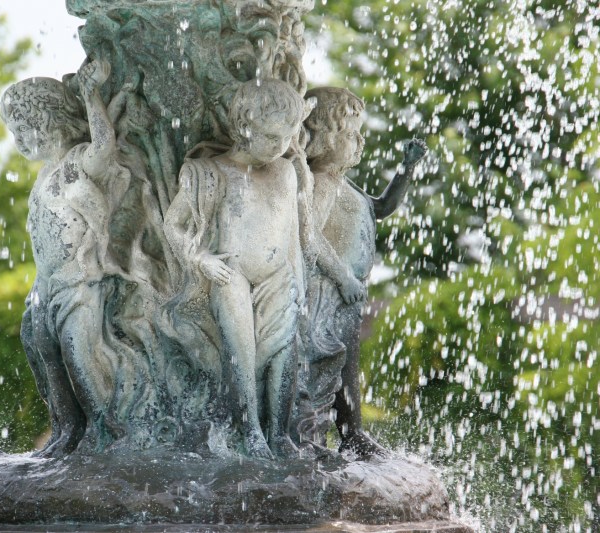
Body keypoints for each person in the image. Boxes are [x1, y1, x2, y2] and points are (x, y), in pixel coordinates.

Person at [164, 79, 311, 459]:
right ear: (244, 128)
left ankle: (280, 434)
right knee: (240, 355)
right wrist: (200, 259)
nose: (280, 146)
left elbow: (293, 235)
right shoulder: (209, 172)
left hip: (279, 278)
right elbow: (173, 225)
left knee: (284, 355)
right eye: (270, 136)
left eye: (287, 137)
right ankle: (250, 433)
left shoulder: (285, 171)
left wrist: (299, 282)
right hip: (231, 276)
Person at [1, 60, 124, 455]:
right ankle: (66, 432)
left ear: (50, 121)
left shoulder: (74, 164)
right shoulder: (43, 176)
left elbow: (106, 150)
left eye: (24, 129)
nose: (19, 141)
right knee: (45, 354)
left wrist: (91, 97)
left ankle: (105, 432)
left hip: (79, 283)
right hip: (46, 288)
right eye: (15, 132)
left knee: (79, 356)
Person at [300, 86, 427, 458]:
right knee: (327, 366)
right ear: (322, 138)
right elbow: (307, 236)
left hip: (348, 292)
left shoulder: (343, 183)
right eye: (350, 134)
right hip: (328, 289)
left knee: (347, 368)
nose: (358, 143)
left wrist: (406, 169)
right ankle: (319, 437)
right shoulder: (321, 183)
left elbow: (383, 207)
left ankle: (352, 432)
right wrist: (341, 277)